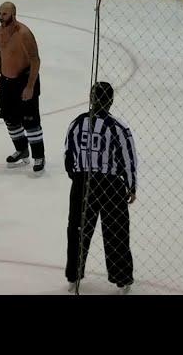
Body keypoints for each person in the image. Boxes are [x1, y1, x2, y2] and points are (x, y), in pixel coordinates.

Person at [63, 81, 137, 294]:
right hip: (110, 185)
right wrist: (131, 186)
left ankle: (73, 276)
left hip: (82, 183)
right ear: (111, 101)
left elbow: (68, 155)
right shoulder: (118, 127)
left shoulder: (76, 124)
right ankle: (122, 279)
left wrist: (78, 178)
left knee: (78, 228)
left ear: (90, 97)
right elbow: (128, 159)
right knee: (116, 231)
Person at [0, 1, 45, 173]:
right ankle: (22, 150)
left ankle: (39, 156)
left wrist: (30, 86)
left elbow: (35, 60)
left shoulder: (24, 34)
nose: (1, 17)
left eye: (5, 14)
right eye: (0, 13)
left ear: (13, 15)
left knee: (30, 122)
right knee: (10, 119)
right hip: (7, 83)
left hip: (24, 81)